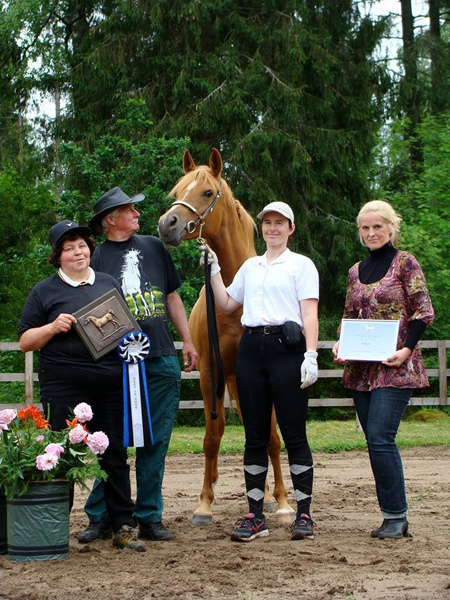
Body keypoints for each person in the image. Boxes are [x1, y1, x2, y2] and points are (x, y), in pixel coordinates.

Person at [77, 187, 198, 543]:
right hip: (114, 365)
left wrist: (187, 339)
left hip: (159, 357)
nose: (137, 213)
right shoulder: (96, 258)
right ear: (109, 219)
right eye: (129, 209)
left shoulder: (154, 247)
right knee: (108, 442)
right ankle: (101, 515)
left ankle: (149, 516)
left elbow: (172, 295)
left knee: (155, 442)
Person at [18, 220, 146, 551]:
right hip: (63, 387)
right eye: (70, 248)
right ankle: (53, 527)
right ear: (57, 256)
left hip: (111, 385)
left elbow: (122, 329)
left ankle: (123, 526)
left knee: (115, 453)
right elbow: (25, 341)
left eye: (82, 246)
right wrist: (51, 327)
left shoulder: (106, 283)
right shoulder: (44, 291)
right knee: (61, 455)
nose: (79, 252)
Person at [201, 201, 319, 542]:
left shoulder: (301, 266)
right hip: (252, 350)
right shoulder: (250, 267)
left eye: (279, 223)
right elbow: (226, 304)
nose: (272, 228)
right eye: (267, 222)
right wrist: (212, 271)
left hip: (287, 349)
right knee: (254, 436)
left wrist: (310, 355)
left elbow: (309, 313)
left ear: (290, 228)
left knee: (294, 434)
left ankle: (305, 514)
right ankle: (255, 515)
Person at [332, 200, 434, 539]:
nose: (372, 232)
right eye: (365, 227)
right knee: (373, 440)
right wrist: (340, 344)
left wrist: (405, 350)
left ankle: (395, 516)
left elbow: (423, 312)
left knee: (379, 436)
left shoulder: (405, 262)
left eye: (378, 226)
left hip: (396, 367)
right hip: (362, 371)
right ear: (360, 232)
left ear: (391, 227)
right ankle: (391, 515)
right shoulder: (354, 271)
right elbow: (350, 316)